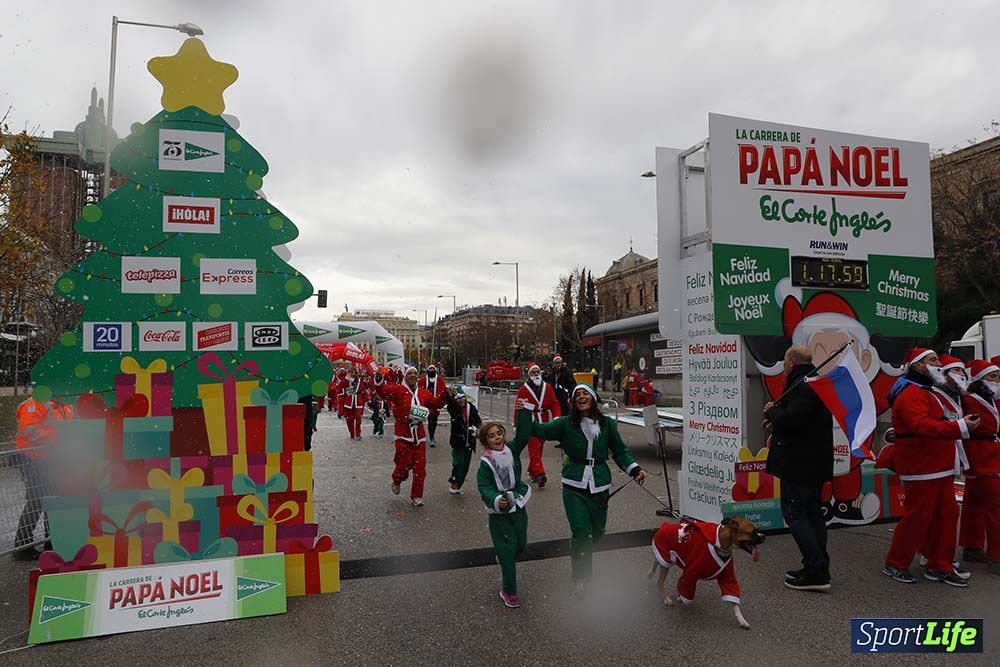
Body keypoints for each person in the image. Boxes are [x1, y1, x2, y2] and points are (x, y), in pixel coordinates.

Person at [521, 384, 645, 595]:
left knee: (596, 532)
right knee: (581, 532)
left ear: (593, 397)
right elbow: (538, 430)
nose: (581, 397)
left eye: (585, 393)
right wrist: (525, 411)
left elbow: (620, 450)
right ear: (573, 402)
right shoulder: (566, 424)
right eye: (577, 394)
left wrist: (634, 469)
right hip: (574, 484)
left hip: (599, 484)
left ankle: (580, 546)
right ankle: (581, 576)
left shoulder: (607, 424)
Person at [879, 348, 977, 587]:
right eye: (932, 360)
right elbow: (921, 426)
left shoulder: (926, 391)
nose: (938, 364)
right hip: (922, 466)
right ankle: (896, 563)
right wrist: (960, 427)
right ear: (918, 366)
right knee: (918, 517)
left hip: (937, 464)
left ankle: (939, 565)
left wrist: (957, 426)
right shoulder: (912, 393)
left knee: (947, 514)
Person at [762, 346, 833, 591]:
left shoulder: (803, 386)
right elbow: (800, 420)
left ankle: (817, 571)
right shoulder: (813, 382)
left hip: (799, 465)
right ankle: (818, 565)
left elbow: (792, 420)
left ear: (791, 361)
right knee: (812, 514)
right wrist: (777, 416)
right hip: (813, 463)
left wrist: (772, 411)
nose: (783, 365)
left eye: (784, 360)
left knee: (796, 514)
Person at [477, 410, 531, 608]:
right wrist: (495, 499)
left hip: (517, 504)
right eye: (491, 436)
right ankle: (509, 591)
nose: (497, 438)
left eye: (499, 433)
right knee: (508, 551)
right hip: (499, 513)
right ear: (486, 442)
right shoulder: (485, 464)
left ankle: (504, 556)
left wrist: (525, 412)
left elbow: (524, 435)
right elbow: (484, 487)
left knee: (521, 545)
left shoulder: (512, 450)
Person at [374, 366, 448, 506]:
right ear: (405, 377)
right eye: (410, 373)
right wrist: (378, 380)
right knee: (402, 465)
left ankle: (416, 496)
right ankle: (397, 480)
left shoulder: (424, 393)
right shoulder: (398, 390)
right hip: (403, 434)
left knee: (420, 468)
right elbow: (383, 392)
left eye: (415, 373)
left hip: (419, 435)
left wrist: (446, 394)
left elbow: (436, 403)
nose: (413, 375)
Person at [958, 359, 1000, 573]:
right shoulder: (968, 400)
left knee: (974, 503)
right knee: (995, 506)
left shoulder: (991, 400)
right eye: (993, 377)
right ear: (980, 379)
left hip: (989, 453)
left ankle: (972, 546)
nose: (997, 381)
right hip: (979, 455)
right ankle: (997, 555)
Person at [12, 396, 65, 560]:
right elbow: (29, 431)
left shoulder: (62, 404)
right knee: (36, 501)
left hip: (51, 459)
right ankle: (23, 545)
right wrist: (60, 436)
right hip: (35, 459)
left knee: (52, 500)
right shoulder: (35, 404)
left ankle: (52, 541)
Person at [516, 363, 562, 488]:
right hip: (530, 421)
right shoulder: (523, 389)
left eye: (538, 372)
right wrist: (517, 424)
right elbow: (518, 408)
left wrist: (557, 416)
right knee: (534, 447)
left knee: (540, 448)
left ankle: (532, 471)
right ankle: (540, 474)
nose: (536, 374)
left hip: (545, 421)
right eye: (533, 372)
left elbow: (554, 403)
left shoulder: (547, 387)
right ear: (529, 375)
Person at [445, 386, 482, 494]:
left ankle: (459, 485)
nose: (461, 400)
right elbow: (450, 404)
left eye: (462, 398)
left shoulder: (471, 407)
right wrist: (450, 395)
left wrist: (476, 427)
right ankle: (454, 482)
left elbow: (478, 420)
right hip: (458, 440)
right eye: (458, 398)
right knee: (458, 463)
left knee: (466, 465)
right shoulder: (454, 409)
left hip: (470, 441)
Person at [419, 364, 446, 446]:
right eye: (430, 369)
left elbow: (443, 390)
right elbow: (419, 389)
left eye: (433, 369)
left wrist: (443, 402)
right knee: (425, 420)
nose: (431, 370)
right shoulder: (422, 380)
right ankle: (426, 436)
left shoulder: (440, 380)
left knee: (433, 421)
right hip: (426, 403)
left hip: (435, 403)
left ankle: (432, 435)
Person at [342, 369, 367, 441]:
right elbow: (341, 386)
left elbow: (364, 392)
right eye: (351, 372)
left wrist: (368, 400)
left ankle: (358, 434)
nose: (352, 374)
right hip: (349, 402)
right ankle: (352, 433)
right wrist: (346, 379)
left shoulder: (359, 382)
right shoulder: (347, 381)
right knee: (349, 420)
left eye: (354, 372)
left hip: (358, 403)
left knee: (358, 418)